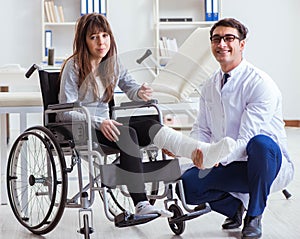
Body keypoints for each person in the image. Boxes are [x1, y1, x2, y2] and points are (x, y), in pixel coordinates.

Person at [57, 13, 236, 218]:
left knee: (149, 124)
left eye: (105, 35)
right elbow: (65, 112)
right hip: (83, 128)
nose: (101, 42)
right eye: (94, 37)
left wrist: (139, 92)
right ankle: (141, 203)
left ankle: (199, 152)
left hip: (109, 125)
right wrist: (99, 121)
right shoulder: (74, 67)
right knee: (126, 134)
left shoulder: (113, 64)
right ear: (84, 41)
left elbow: (130, 87)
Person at [179, 18, 294, 238]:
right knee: (186, 186)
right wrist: (192, 150)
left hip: (265, 164)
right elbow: (201, 129)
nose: (222, 44)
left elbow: (246, 138)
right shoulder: (209, 85)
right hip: (230, 164)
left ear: (241, 44)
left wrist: (214, 157)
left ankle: (254, 215)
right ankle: (235, 209)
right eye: (216, 39)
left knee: (260, 144)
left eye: (229, 38)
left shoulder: (260, 83)